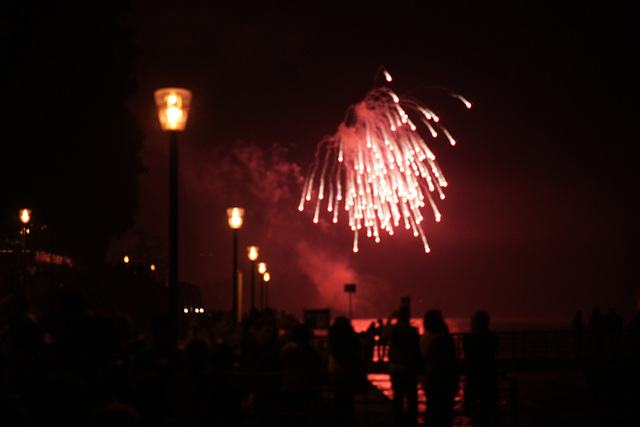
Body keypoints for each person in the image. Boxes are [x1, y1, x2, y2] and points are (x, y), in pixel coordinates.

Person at [382, 304, 421, 427]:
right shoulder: (412, 331)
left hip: (396, 368)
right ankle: (411, 422)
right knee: (411, 399)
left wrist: (389, 318)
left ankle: (398, 422)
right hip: (409, 369)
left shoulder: (393, 329)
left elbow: (383, 334)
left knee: (398, 398)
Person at [420, 309, 459, 427]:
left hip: (432, 382)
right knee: (445, 415)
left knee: (432, 412)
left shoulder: (426, 339)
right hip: (444, 383)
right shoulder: (443, 341)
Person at [463, 310, 498, 427]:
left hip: (473, 375)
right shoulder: (493, 338)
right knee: (488, 407)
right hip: (489, 376)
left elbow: (467, 354)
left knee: (470, 407)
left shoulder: (468, 339)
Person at [328, 316, 364, 426]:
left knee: (339, 402)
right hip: (349, 376)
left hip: (337, 376)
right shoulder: (352, 342)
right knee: (349, 403)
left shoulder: (333, 342)